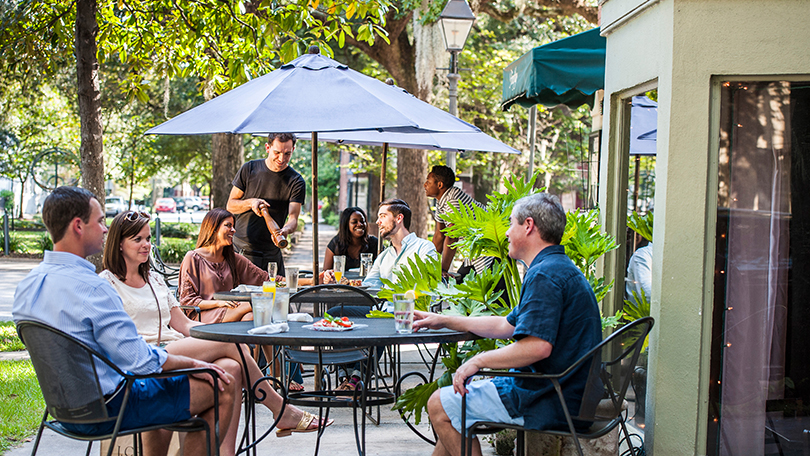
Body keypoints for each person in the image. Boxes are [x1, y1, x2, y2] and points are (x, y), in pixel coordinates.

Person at [12, 186, 241, 456]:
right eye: (99, 221)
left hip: (61, 409)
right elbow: (141, 362)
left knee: (185, 381)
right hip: (113, 405)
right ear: (78, 226)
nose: (105, 229)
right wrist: (196, 364)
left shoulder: (26, 287)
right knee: (223, 383)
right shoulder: (94, 287)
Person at [100, 211, 331, 439]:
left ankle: (228, 450)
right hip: (147, 356)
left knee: (231, 367)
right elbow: (115, 344)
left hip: (175, 344)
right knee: (230, 341)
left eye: (149, 239)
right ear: (119, 244)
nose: (146, 245)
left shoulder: (155, 280)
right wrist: (218, 333)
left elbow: (185, 325)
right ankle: (280, 408)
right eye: (137, 239)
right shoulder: (106, 284)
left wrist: (213, 335)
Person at [413, 193, 602, 456]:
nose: (506, 233)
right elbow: (506, 324)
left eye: (510, 224)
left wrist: (477, 361)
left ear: (528, 225)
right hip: (566, 392)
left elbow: (537, 347)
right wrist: (444, 320)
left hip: (550, 397)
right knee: (451, 408)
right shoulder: (557, 267)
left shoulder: (545, 275)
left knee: (439, 405)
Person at [227, 132, 306, 275]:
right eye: (277, 152)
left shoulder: (296, 181)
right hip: (241, 250)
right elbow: (230, 205)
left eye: (287, 153)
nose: (282, 158)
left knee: (277, 295)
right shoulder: (249, 169)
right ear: (267, 148)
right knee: (240, 296)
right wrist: (251, 203)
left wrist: (285, 230)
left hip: (271, 253)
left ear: (293, 150)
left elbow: (293, 218)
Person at [178, 208, 270, 324]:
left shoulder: (233, 259)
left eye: (233, 226)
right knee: (257, 303)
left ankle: (246, 343)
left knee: (250, 317)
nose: (233, 230)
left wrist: (296, 281)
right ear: (214, 228)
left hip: (230, 311)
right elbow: (187, 302)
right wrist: (219, 303)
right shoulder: (193, 258)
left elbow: (267, 280)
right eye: (228, 225)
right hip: (201, 316)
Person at [424, 165, 492, 279]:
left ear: (439, 185)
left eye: (428, 182)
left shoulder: (453, 200)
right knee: (460, 284)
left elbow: (452, 236)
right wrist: (430, 265)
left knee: (495, 294)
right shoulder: (442, 202)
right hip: (474, 255)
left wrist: (443, 269)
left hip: (489, 254)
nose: (425, 185)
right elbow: (439, 235)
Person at [361, 198, 437, 289]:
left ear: (399, 218)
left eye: (383, 216)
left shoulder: (424, 248)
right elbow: (368, 287)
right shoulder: (383, 256)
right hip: (384, 303)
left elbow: (430, 289)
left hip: (413, 303)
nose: (378, 222)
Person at [322, 207, 378, 282]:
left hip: (368, 288)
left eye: (362, 221)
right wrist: (328, 277)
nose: (360, 224)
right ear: (346, 225)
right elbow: (325, 274)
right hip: (342, 289)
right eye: (354, 222)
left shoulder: (374, 243)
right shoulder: (335, 244)